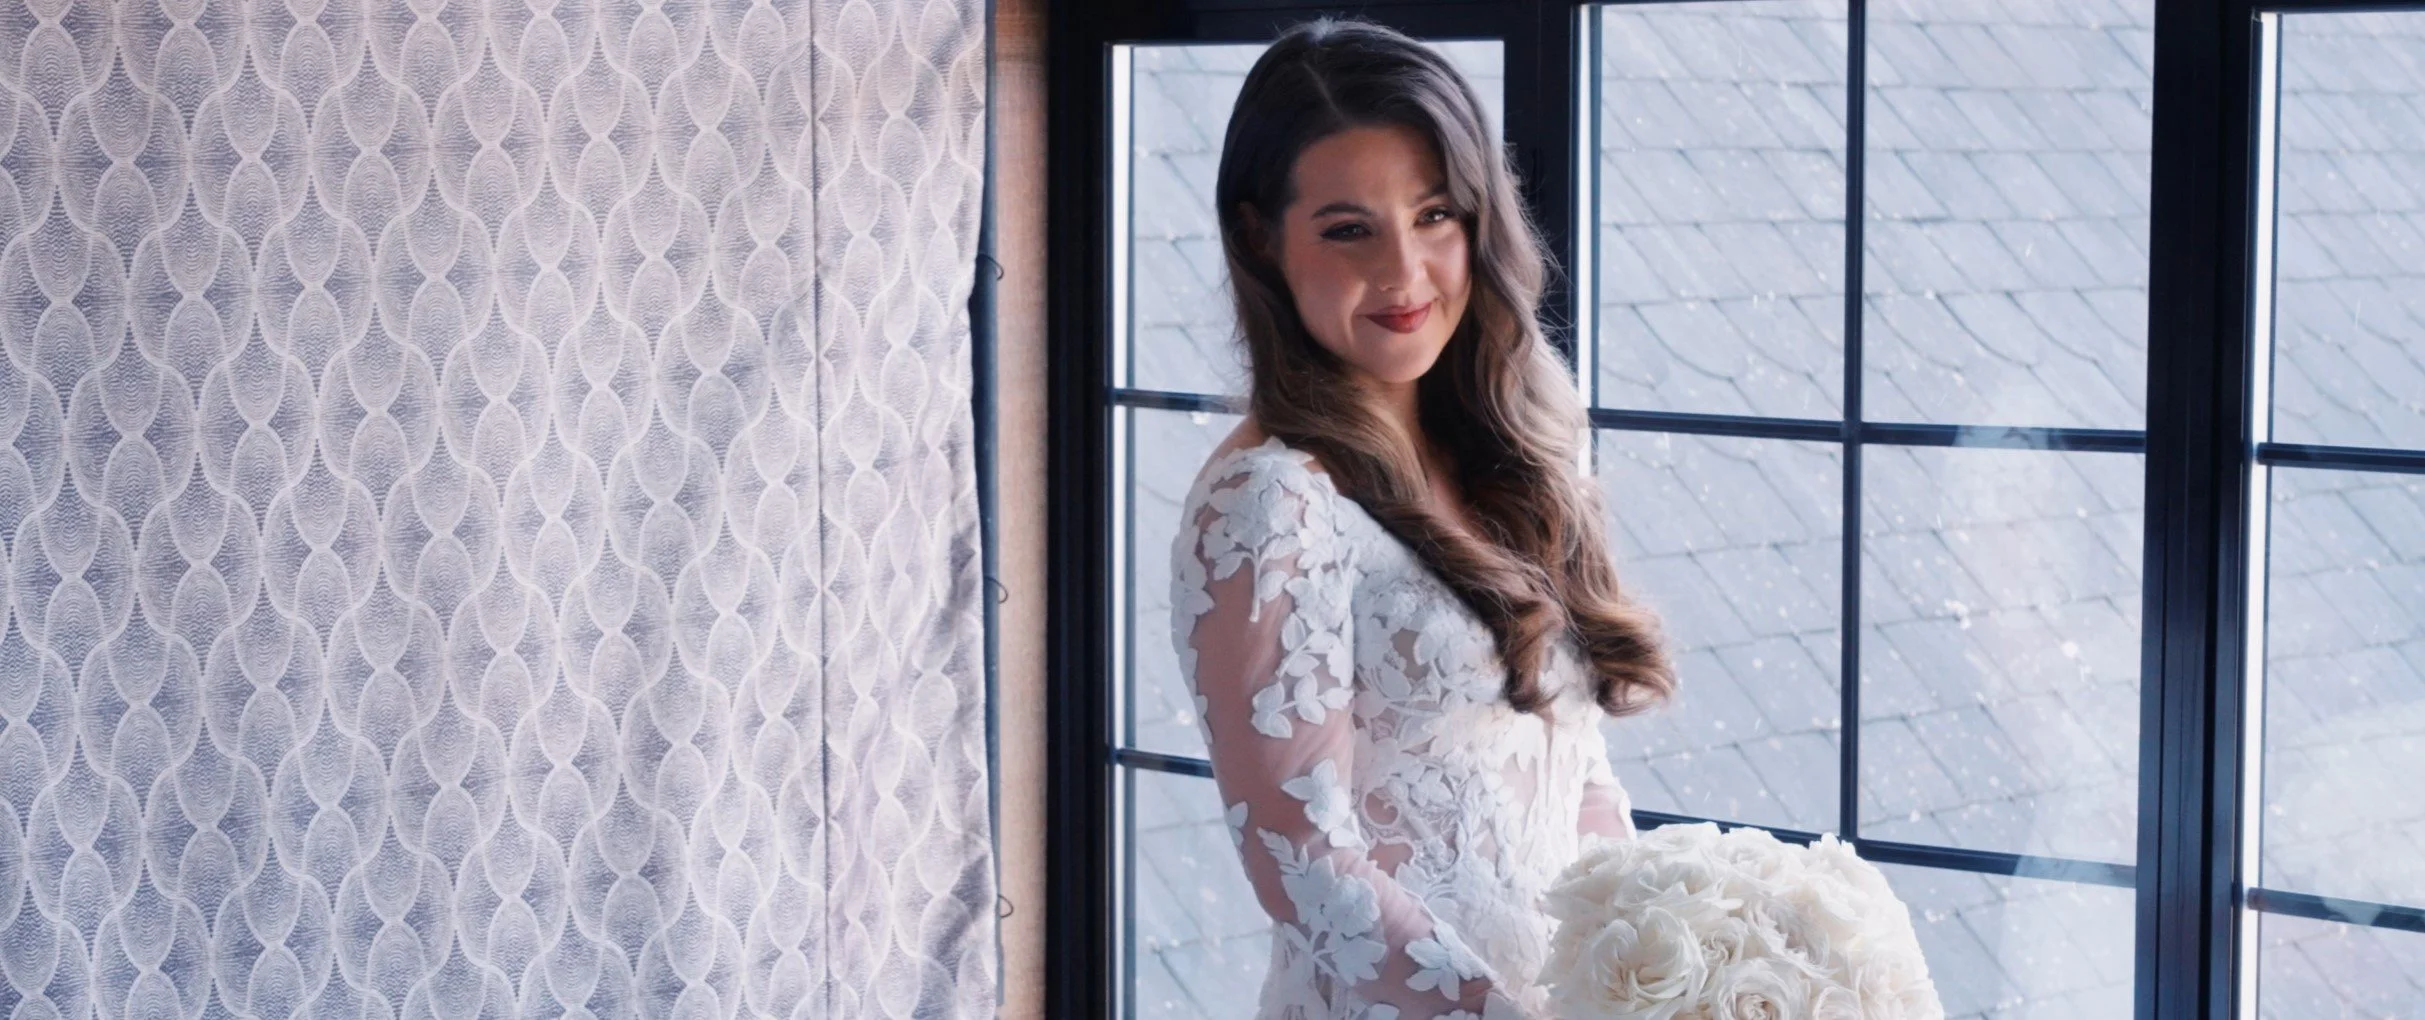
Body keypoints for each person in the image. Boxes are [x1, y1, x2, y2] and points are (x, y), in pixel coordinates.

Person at [1166, 17, 1679, 1020]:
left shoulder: (1529, 428)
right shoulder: (1270, 502)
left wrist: (1653, 955)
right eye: (1348, 228)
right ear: (1259, 237)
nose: (1404, 272)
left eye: (1434, 215)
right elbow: (1301, 861)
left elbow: (1566, 757)